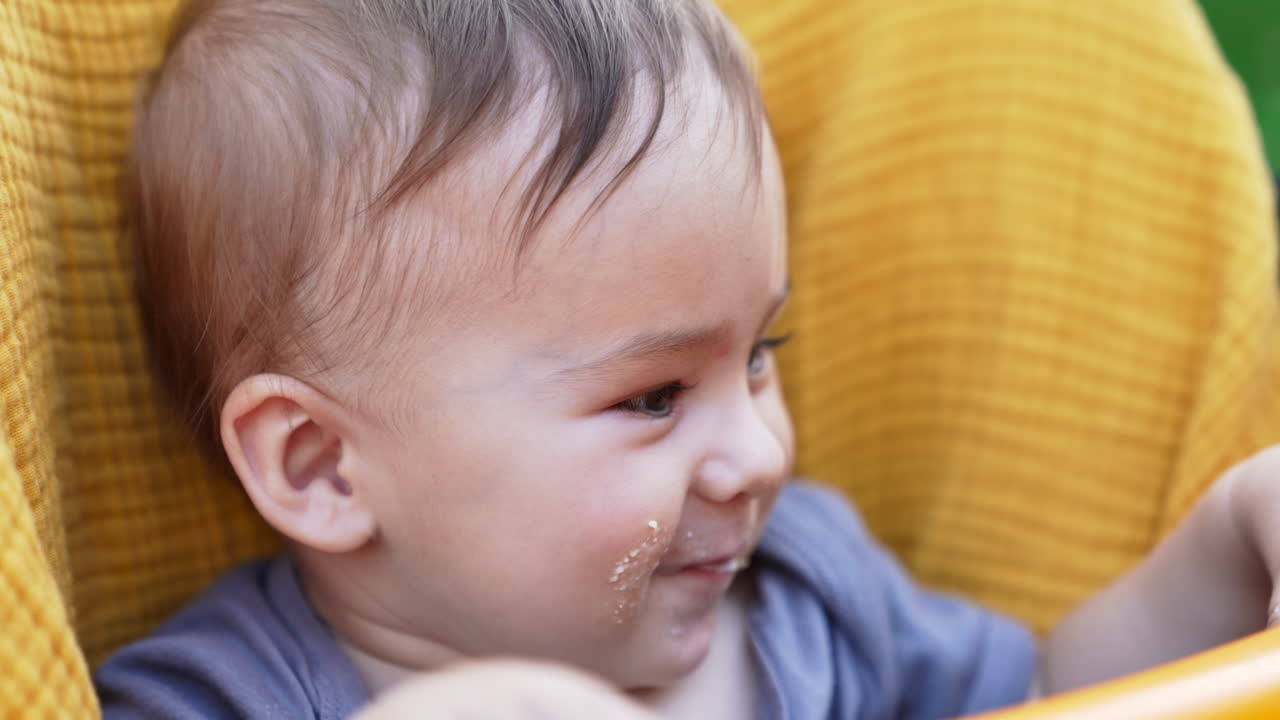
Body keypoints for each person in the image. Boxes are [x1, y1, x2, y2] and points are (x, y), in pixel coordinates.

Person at [95, 0, 1280, 717]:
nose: (756, 454)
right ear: (320, 465)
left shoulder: (806, 602)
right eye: (653, 397)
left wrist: (1226, 543)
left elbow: (1050, 696)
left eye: (759, 355)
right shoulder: (231, 696)